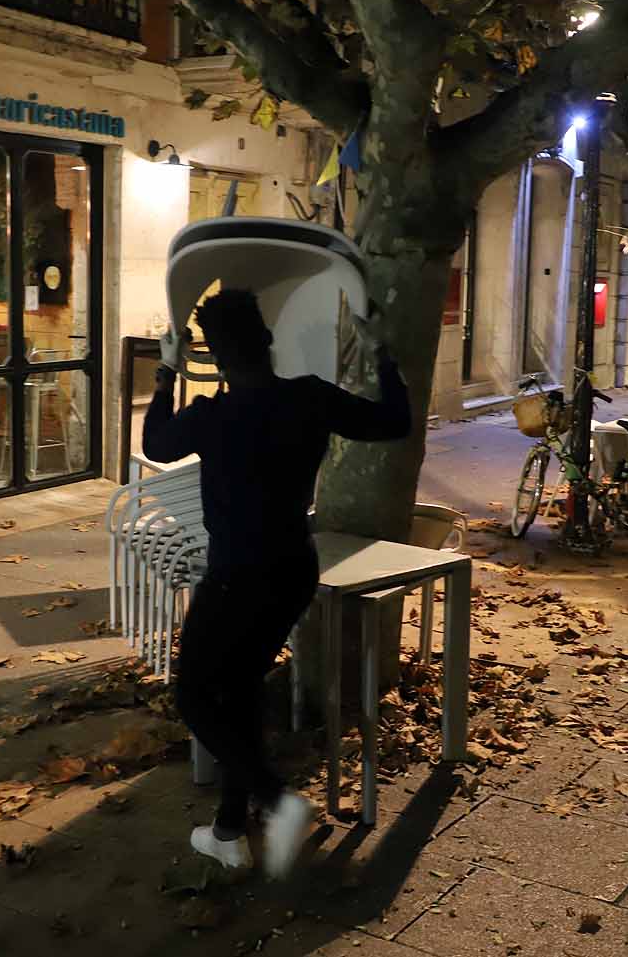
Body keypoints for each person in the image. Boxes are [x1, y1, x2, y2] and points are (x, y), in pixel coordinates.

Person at [143, 288, 410, 878]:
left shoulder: (212, 415)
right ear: (267, 343)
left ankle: (277, 801)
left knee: (194, 694)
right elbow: (394, 420)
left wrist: (166, 369)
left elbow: (154, 443)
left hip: (236, 575)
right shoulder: (308, 398)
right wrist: (380, 356)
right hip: (293, 568)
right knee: (238, 690)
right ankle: (229, 832)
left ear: (215, 357)